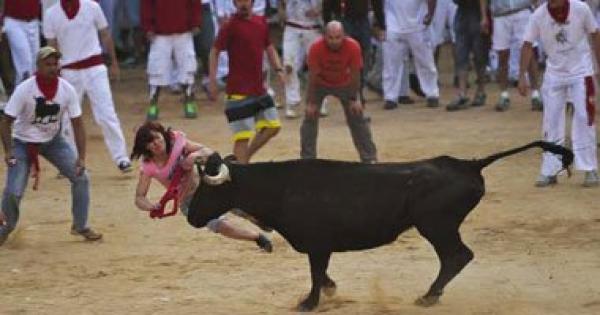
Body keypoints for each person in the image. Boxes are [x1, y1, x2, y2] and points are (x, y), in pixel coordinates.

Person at [0, 46, 102, 246]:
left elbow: (78, 124)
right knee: (13, 191)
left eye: (55, 64)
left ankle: (80, 225)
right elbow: (5, 121)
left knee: (81, 177)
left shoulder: (66, 89)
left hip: (52, 140)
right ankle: (5, 227)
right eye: (48, 64)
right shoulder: (25, 89)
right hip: (23, 142)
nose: (53, 68)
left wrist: (81, 158)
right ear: (38, 66)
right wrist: (9, 150)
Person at [131, 121, 273, 252]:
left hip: (206, 186)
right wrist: (150, 206)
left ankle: (262, 220)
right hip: (190, 202)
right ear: (144, 147)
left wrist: (193, 157)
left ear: (163, 134)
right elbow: (139, 197)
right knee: (220, 226)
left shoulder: (177, 141)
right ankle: (258, 238)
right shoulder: (149, 167)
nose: (155, 143)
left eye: (156, 137)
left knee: (241, 207)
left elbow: (208, 152)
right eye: (149, 142)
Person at [43, 0, 132, 173]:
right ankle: (70, 161)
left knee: (106, 113)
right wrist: (53, 71)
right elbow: (51, 45)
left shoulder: (92, 7)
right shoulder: (51, 14)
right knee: (67, 117)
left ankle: (121, 157)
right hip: (69, 71)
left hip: (94, 68)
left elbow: (105, 34)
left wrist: (113, 62)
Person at [518, 0, 599, 187]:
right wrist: (522, 75)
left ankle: (589, 168)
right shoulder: (539, 15)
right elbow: (527, 44)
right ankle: (550, 170)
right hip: (554, 73)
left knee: (584, 117)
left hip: (581, 71)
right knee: (551, 121)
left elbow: (595, 34)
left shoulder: (581, 9)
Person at [208, 0, 285, 164]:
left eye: (246, 0)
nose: (243, 4)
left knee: (273, 126)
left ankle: (244, 160)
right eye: (239, 1)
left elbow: (269, 47)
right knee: (242, 137)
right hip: (238, 91)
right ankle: (241, 168)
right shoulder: (229, 26)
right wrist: (212, 81)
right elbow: (214, 51)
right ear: (234, 3)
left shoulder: (260, 22)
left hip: (259, 88)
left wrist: (278, 68)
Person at [301, 21, 377, 163]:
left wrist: (355, 98)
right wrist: (311, 102)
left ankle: (369, 158)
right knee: (309, 118)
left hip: (345, 83)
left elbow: (356, 74)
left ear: (344, 36)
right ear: (324, 37)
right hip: (320, 83)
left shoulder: (353, 46)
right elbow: (312, 77)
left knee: (357, 117)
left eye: (338, 37)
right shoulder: (316, 48)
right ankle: (307, 160)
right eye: (330, 37)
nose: (334, 41)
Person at [141, 0, 201, 120]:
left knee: (187, 66)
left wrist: (195, 22)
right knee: (156, 68)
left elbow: (194, 3)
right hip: (159, 32)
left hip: (184, 30)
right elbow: (146, 4)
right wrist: (148, 27)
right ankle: (153, 104)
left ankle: (189, 101)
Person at [481, 0, 543, 112]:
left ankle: (536, 94)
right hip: (500, 14)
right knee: (502, 54)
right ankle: (504, 95)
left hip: (522, 11)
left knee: (530, 53)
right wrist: (484, 16)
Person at [381, 0, 440, 109]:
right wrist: (380, 22)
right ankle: (390, 97)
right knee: (391, 63)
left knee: (425, 61)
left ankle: (432, 94)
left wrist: (430, 15)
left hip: (418, 23)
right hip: (393, 23)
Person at [323, 0, 385, 104]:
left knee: (365, 54)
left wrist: (381, 24)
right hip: (343, 18)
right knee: (346, 55)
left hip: (362, 18)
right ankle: (350, 91)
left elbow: (376, 2)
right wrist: (327, 22)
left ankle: (359, 88)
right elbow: (327, 2)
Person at [279, 0, 323, 119]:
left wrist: (321, 8)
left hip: (314, 26)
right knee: (289, 65)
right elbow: (281, 4)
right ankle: (292, 102)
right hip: (292, 26)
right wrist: (281, 11)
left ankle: (320, 101)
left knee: (317, 66)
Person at [446, 0, 490, 111]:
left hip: (477, 12)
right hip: (462, 11)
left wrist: (484, 16)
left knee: (479, 54)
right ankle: (462, 93)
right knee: (461, 53)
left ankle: (481, 90)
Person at [1, 0, 41, 86]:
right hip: (14, 21)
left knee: (35, 65)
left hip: (34, 21)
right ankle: (22, 95)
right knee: (25, 62)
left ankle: (25, 94)